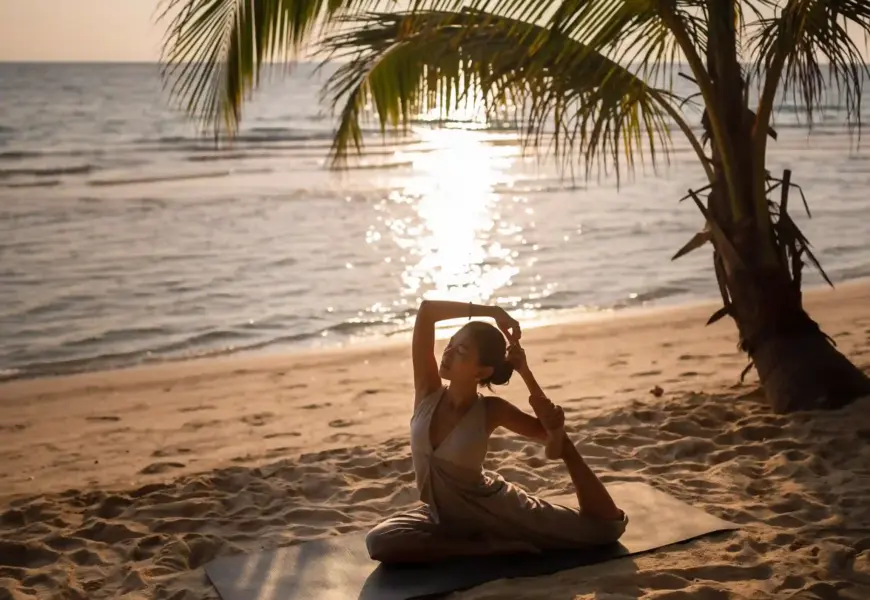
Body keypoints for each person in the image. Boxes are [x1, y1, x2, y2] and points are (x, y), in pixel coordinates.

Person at [365, 299, 627, 563]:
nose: (447, 352)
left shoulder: (492, 410)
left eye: (461, 351)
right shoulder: (426, 393)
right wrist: (492, 312)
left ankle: (487, 542)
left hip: (496, 512)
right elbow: (427, 312)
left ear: (482, 371)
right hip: (440, 517)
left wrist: (526, 375)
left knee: (604, 529)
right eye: (450, 344)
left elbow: (554, 443)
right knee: (379, 541)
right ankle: (485, 548)